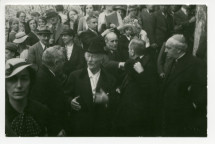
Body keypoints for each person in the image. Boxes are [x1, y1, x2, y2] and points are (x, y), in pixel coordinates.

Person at [64, 37, 117, 136]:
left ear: (101, 59)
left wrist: (107, 100)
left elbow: (115, 105)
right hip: (80, 127)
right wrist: (70, 102)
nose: (90, 60)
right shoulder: (75, 76)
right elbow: (65, 96)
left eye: (94, 57)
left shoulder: (110, 79)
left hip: (101, 128)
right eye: (88, 56)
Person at [159, 34, 207, 136]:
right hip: (169, 111)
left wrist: (193, 105)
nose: (165, 51)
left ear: (178, 50)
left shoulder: (196, 63)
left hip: (182, 116)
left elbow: (203, 88)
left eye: (168, 48)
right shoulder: (173, 60)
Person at [113, 38, 157, 136]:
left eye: (129, 49)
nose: (128, 51)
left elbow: (151, 89)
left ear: (132, 51)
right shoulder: (141, 61)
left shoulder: (144, 65)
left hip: (136, 112)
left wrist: (142, 73)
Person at [5, 58, 51, 136]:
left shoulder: (42, 111)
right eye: (12, 79)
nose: (19, 85)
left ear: (31, 81)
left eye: (24, 79)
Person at [30, 45, 68, 136]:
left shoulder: (45, 73)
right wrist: (56, 128)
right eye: (63, 61)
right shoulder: (43, 78)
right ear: (56, 62)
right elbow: (43, 108)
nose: (64, 64)